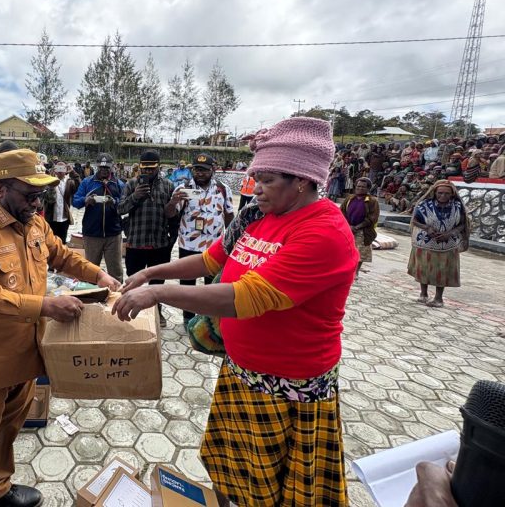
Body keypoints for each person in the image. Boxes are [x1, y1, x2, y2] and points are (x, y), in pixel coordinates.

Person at [113, 117, 356, 506]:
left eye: (267, 180)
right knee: (227, 472)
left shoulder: (324, 233)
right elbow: (210, 260)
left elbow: (246, 297)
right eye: (255, 178)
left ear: (302, 180)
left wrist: (157, 293)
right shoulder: (260, 217)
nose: (255, 188)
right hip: (241, 370)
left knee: (272, 492)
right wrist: (150, 272)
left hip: (286, 387)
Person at [0, 148, 120, 507]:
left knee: (5, 433)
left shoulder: (33, 221)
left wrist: (98, 274)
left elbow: (60, 254)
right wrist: (47, 306)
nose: (37, 203)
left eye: (41, 195)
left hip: (23, 357)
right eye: (30, 194)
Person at [172, 152, 234, 325]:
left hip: (214, 244)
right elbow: (170, 214)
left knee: (212, 285)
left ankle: (208, 321)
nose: (199, 173)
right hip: (188, 244)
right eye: (196, 169)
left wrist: (231, 239)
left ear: (212, 170)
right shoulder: (183, 188)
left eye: (204, 170)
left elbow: (229, 213)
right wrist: (173, 201)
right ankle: (188, 318)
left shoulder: (222, 189)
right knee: (187, 283)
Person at [117, 149, 177, 327]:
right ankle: (130, 311)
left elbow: (173, 214)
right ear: (140, 167)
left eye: (152, 168)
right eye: (145, 168)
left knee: (158, 283)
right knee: (132, 281)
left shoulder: (168, 185)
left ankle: (156, 312)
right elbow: (120, 209)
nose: (148, 171)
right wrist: (136, 196)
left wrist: (172, 238)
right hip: (136, 242)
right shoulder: (131, 184)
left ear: (159, 167)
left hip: (160, 244)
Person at [408, 180, 468, 307]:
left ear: (452, 194)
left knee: (442, 270)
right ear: (435, 192)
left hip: (448, 244)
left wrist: (450, 233)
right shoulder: (424, 204)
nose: (443, 196)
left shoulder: (457, 206)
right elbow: (415, 220)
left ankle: (438, 298)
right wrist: (427, 228)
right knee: (423, 267)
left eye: (447, 193)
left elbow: (463, 224)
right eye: (440, 193)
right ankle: (423, 294)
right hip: (426, 241)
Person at [72, 153, 125, 281]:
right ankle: (91, 292)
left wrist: (114, 202)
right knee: (90, 271)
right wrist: (86, 200)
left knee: (116, 271)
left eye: (107, 167)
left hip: (113, 234)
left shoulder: (119, 184)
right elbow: (75, 201)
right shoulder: (87, 182)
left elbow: (125, 204)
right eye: (101, 167)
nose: (104, 170)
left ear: (112, 167)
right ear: (97, 166)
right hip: (92, 233)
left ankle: (117, 293)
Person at [340, 177, 379, 281]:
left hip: (363, 230)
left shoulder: (372, 201)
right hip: (348, 228)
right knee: (345, 249)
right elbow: (342, 212)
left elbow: (372, 218)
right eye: (358, 186)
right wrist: (348, 225)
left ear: (368, 189)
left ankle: (356, 271)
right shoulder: (349, 198)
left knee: (360, 251)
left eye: (363, 187)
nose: (360, 188)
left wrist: (357, 227)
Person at [42, 161, 79, 244]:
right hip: (51, 218)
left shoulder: (69, 182)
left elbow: (79, 187)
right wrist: (51, 178)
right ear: (55, 170)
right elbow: (46, 197)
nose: (60, 171)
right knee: (50, 242)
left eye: (62, 168)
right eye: (58, 168)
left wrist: (72, 172)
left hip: (64, 218)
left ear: (66, 170)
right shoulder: (48, 181)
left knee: (62, 242)